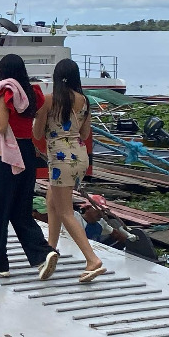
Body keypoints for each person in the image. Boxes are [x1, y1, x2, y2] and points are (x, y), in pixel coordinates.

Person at [0, 53, 52, 278]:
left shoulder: (5, 94)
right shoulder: (32, 93)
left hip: (8, 155)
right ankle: (42, 253)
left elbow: (0, 126)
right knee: (21, 210)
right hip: (27, 152)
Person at [34, 58, 105, 283]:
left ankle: (92, 259)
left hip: (60, 160)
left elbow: (37, 134)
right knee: (51, 201)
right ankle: (50, 250)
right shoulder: (85, 101)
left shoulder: (48, 101)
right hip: (80, 158)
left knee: (65, 211)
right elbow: (84, 135)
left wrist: (41, 122)